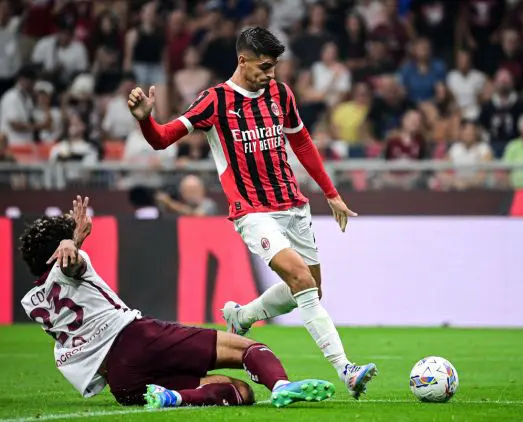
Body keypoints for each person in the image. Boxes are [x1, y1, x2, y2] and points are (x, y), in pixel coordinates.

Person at [127, 26, 377, 398]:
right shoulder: (214, 101)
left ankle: (242, 316)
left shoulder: (280, 93)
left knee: (310, 290)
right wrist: (146, 118)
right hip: (253, 211)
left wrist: (331, 193)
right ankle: (347, 369)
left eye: (275, 66)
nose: (271, 74)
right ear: (243, 60)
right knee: (301, 281)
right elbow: (162, 138)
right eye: (265, 66)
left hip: (293, 205)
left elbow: (302, 141)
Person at [20, 196, 335, 409]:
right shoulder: (73, 263)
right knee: (248, 349)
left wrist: (66, 243)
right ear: (60, 249)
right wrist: (71, 241)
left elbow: (61, 274)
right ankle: (280, 385)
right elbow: (70, 265)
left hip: (121, 381)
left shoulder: (32, 302)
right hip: (137, 340)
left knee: (240, 392)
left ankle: (174, 397)